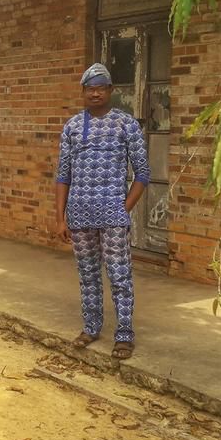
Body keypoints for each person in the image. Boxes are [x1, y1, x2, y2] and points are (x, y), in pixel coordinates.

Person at [55, 62, 149, 360]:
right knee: (88, 275)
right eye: (89, 89)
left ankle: (124, 334)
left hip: (113, 217)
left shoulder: (126, 124)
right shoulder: (71, 127)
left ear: (110, 91)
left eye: (100, 88)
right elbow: (63, 175)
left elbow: (143, 174)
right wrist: (60, 217)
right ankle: (91, 327)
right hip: (79, 215)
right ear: (83, 92)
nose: (95, 93)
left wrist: (123, 209)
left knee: (119, 275)